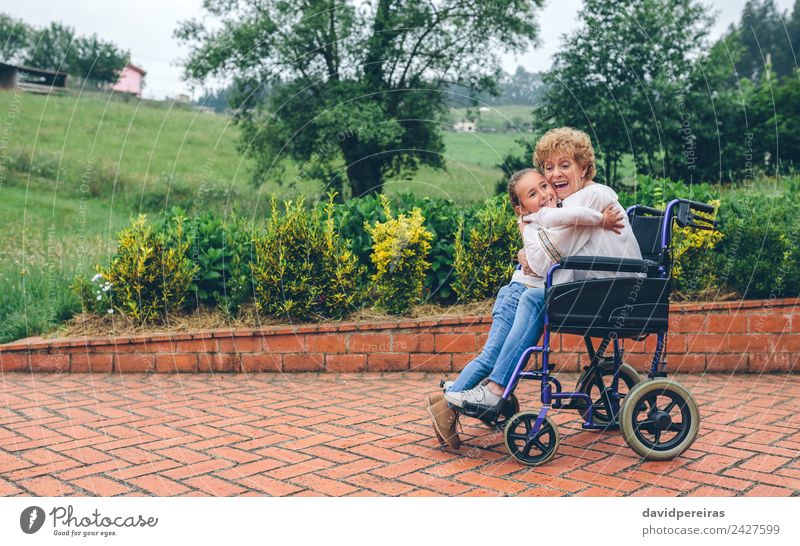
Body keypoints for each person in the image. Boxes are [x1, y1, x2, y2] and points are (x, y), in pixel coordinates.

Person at [434, 127, 642, 448]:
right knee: (523, 303)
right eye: (548, 167)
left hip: (610, 291)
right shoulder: (574, 202)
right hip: (603, 286)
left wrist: (528, 249)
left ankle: (495, 391)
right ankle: (475, 394)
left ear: (583, 168)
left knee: (533, 298)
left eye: (565, 165)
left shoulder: (590, 197)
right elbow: (545, 256)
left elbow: (545, 262)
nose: (555, 174)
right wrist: (528, 251)